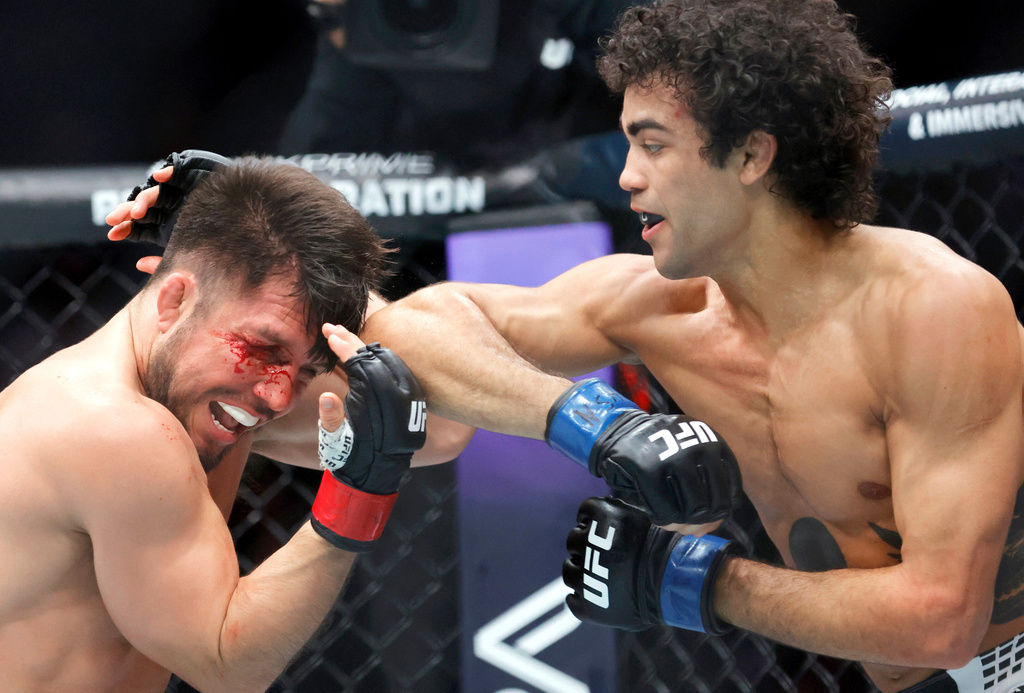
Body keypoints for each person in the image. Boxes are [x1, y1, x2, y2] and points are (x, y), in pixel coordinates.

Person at [348, 1, 1024, 691]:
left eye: (654, 143)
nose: (626, 176)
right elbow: (409, 328)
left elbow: (941, 622)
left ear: (752, 154)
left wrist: (689, 577)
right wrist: (595, 424)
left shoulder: (929, 309)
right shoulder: (658, 308)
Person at [0, 156, 442, 692]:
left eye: (307, 371)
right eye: (262, 348)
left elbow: (442, 423)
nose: (279, 396)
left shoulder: (197, 391)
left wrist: (254, 215)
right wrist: (357, 491)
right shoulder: (112, 427)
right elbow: (227, 665)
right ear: (174, 300)